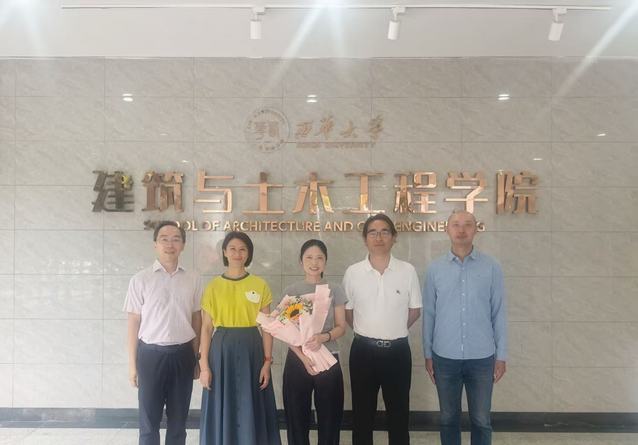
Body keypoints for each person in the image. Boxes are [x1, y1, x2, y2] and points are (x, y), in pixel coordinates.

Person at [422, 210, 508, 445]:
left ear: (476, 229)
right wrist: (428, 354)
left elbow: (499, 313)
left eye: (468, 224)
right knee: (448, 418)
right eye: (456, 224)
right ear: (446, 229)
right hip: (444, 357)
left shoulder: (491, 267)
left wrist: (501, 355)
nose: (461, 230)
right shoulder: (435, 269)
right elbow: (429, 314)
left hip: (482, 357)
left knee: (481, 419)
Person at [343, 213, 422, 445]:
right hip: (363, 351)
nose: (379, 237)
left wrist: (392, 329)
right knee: (362, 414)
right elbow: (347, 311)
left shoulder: (407, 270)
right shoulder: (353, 272)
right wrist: (368, 331)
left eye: (385, 232)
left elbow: (415, 310)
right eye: (373, 232)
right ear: (365, 239)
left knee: (399, 414)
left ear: (394, 237)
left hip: (398, 352)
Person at [198, 231, 281, 445]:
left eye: (243, 249)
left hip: (252, 349)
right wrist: (204, 366)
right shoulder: (213, 286)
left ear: (249, 254)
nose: (237, 253)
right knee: (221, 400)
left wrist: (267, 362)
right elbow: (206, 328)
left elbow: (267, 328)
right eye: (232, 249)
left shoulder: (260, 285)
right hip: (221, 351)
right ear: (224, 252)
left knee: (251, 400)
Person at [124, 221, 202, 445]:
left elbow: (197, 318)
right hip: (150, 355)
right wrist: (132, 365)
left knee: (179, 422)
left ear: (183, 245)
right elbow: (133, 322)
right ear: (155, 244)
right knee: (149, 422)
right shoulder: (140, 279)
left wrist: (196, 358)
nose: (170, 244)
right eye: (164, 239)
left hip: (183, 355)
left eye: (176, 239)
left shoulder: (193, 278)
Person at [282, 239, 347, 445]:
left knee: (330, 417)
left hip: (328, 359)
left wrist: (323, 337)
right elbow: (285, 330)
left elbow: (341, 326)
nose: (314, 262)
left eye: (319, 258)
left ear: (325, 261)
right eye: (309, 257)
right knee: (296, 417)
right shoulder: (292, 290)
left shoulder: (335, 289)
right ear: (301, 261)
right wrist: (302, 357)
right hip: (297, 360)